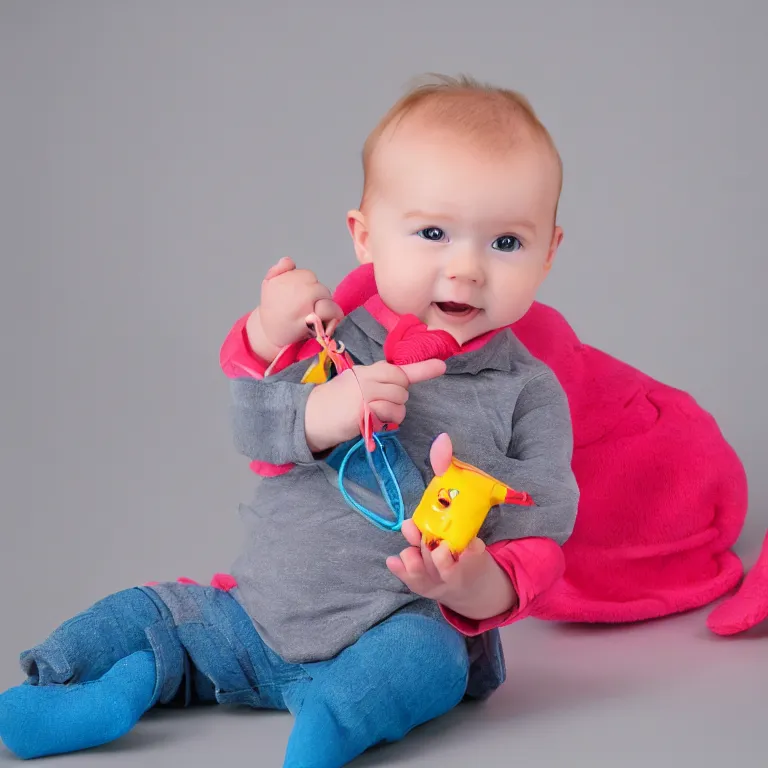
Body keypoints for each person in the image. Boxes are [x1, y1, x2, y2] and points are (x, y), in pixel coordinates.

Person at [0, 74, 580, 767]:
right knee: (151, 612)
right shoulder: (335, 340)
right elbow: (253, 422)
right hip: (249, 617)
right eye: (432, 232)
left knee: (430, 659)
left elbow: (542, 529)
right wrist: (308, 395)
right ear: (364, 237)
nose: (466, 270)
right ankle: (60, 693)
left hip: (396, 625)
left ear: (549, 253)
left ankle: (334, 718)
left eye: (506, 243)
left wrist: (473, 585)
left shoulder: (527, 391)